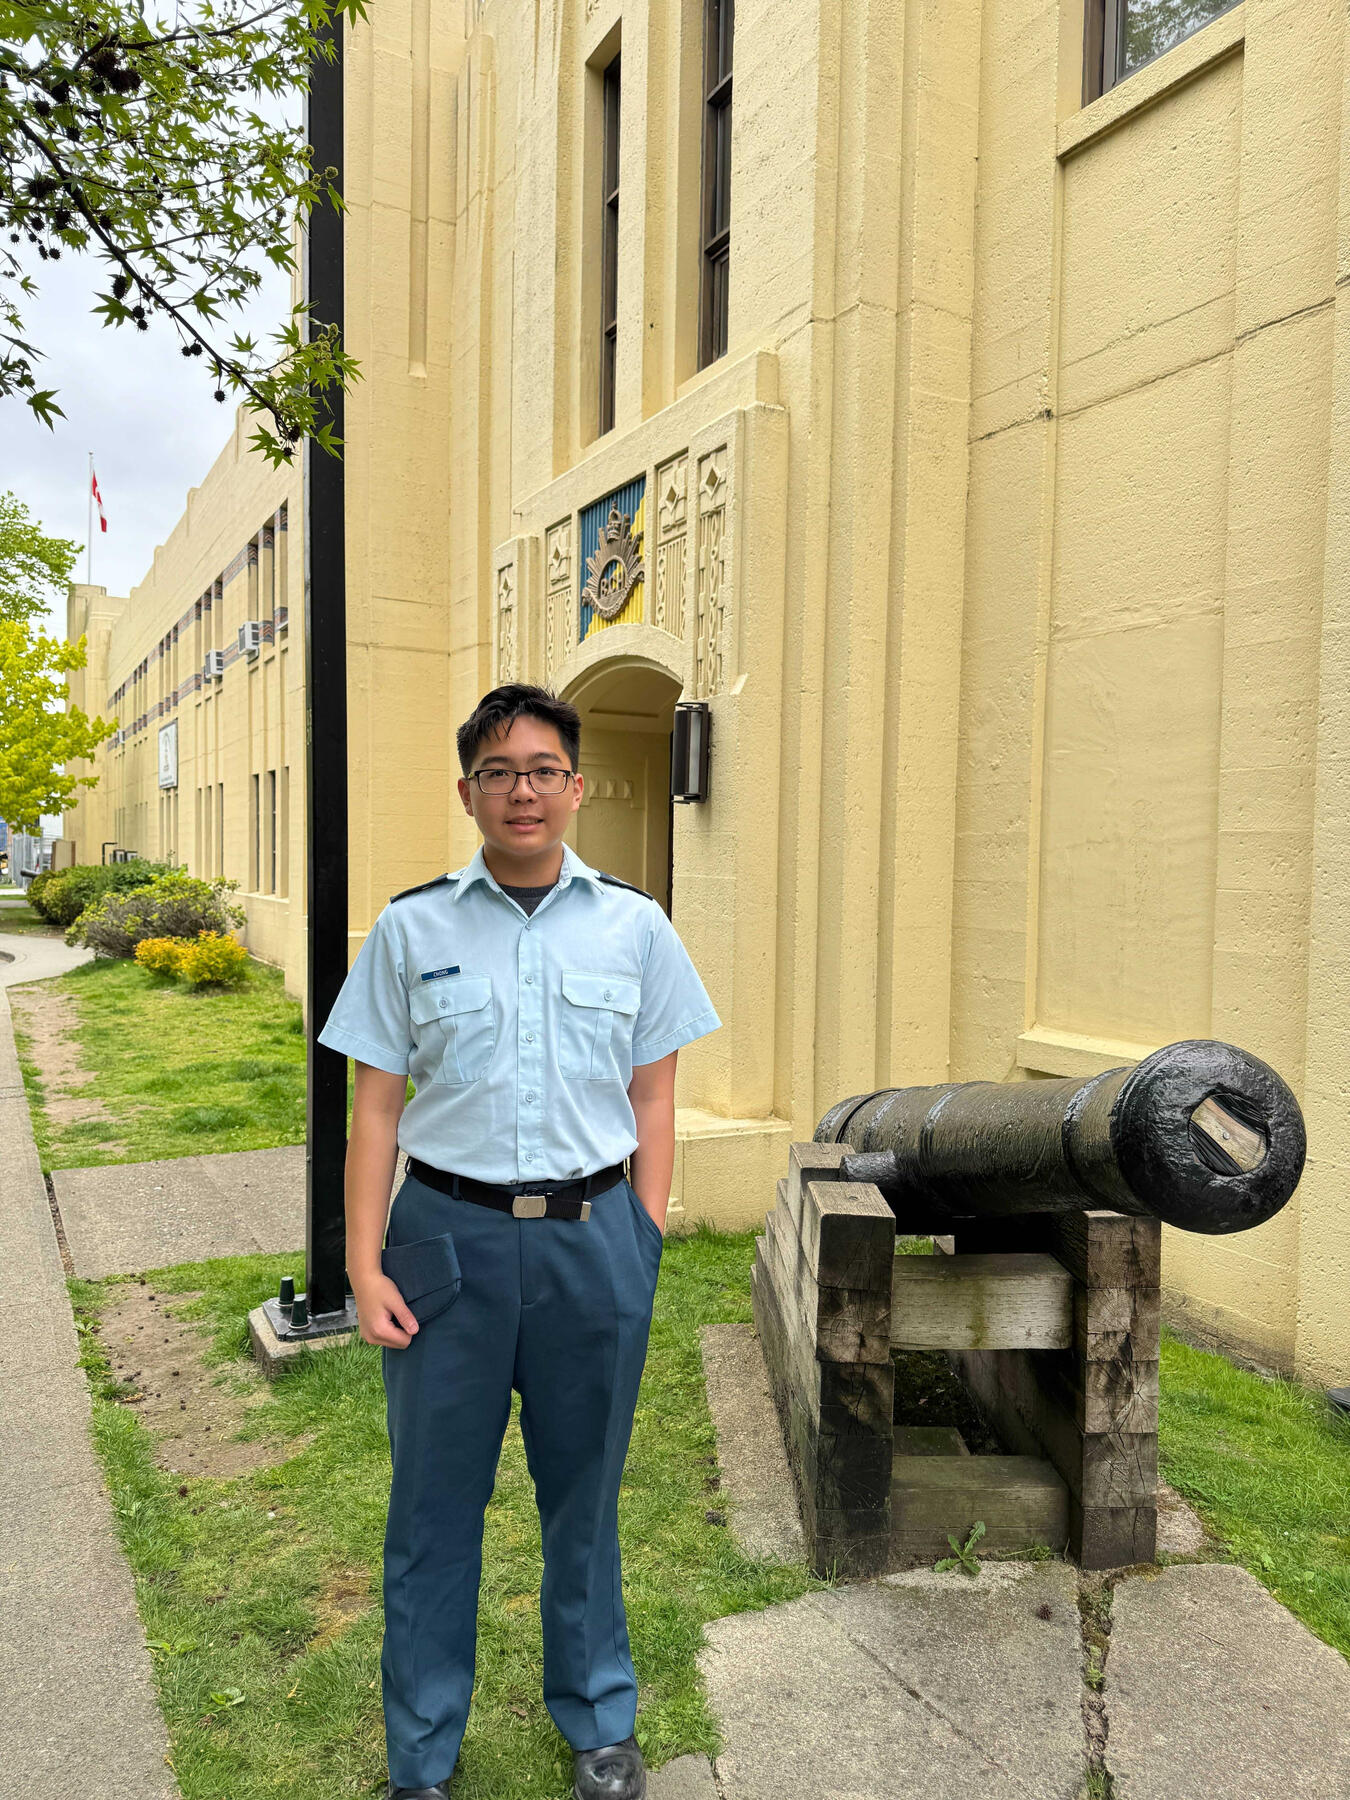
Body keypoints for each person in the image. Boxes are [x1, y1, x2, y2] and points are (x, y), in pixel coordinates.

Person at [317, 683, 722, 1800]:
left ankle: (598, 1718)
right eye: (498, 773)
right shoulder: (411, 929)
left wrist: (643, 1236)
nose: (523, 792)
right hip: (444, 1245)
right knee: (432, 1510)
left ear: (576, 786)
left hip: (595, 1241)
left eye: (543, 770)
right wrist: (362, 1264)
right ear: (468, 793)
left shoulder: (636, 927)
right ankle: (421, 1759)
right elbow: (376, 1113)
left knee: (583, 1499)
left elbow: (653, 1097)